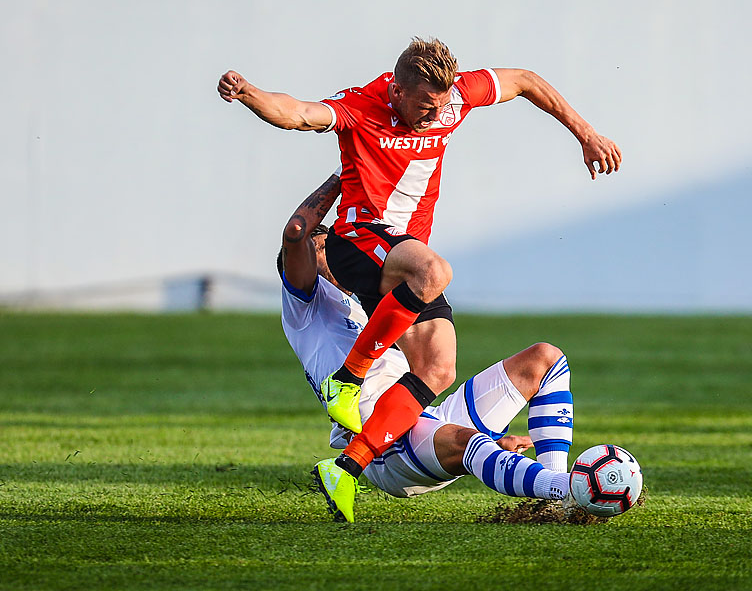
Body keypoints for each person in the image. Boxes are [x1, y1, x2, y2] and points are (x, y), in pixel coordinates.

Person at [218, 37, 617, 508]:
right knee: (435, 271)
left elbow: (524, 80)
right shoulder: (306, 301)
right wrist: (249, 93)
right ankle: (565, 488)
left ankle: (550, 502)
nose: (435, 117)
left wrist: (585, 133)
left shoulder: (449, 104)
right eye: (425, 106)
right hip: (369, 249)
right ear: (397, 93)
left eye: (441, 106)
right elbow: (298, 117)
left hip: (409, 417)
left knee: (501, 361)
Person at [279, 173, 576, 522]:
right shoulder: (306, 306)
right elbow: (295, 232)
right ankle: (569, 488)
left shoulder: (365, 301)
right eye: (325, 246)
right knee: (467, 442)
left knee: (545, 359)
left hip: (420, 417)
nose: (338, 250)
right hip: (384, 448)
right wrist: (346, 175)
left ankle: (558, 503)